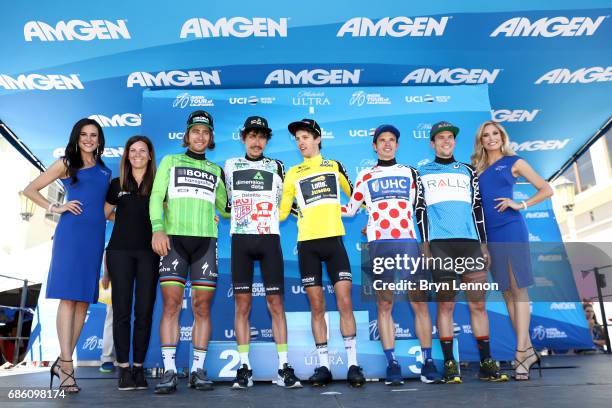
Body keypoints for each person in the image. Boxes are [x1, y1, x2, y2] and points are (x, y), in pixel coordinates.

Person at [23, 118, 111, 393]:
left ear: (99, 140)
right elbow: (30, 189)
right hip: (70, 236)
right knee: (69, 299)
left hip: (95, 238)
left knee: (84, 301)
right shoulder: (66, 163)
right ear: (76, 137)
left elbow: (105, 209)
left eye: (93, 135)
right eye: (84, 134)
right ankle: (67, 364)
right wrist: (56, 206)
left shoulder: (105, 171)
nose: (88, 139)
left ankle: (63, 362)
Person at [419, 121, 508, 383]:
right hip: (440, 245)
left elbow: (478, 209)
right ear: (432, 143)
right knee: (445, 305)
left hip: (470, 243)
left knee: (478, 304)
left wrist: (483, 243)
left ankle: (487, 363)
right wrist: (425, 244)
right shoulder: (421, 171)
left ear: (454, 142)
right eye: (440, 138)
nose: (446, 141)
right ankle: (449, 364)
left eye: (450, 137)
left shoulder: (469, 171)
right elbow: (420, 211)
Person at [341, 125, 431, 385]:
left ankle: (427, 360)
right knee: (384, 304)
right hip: (378, 245)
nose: (387, 144)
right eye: (382, 140)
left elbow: (419, 209)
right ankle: (392, 363)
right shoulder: (365, 175)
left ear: (397, 145)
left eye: (392, 140)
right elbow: (350, 209)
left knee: (420, 303)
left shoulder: (410, 173)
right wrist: (316, 208)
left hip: (407, 243)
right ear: (374, 145)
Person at [279, 118, 365, 387]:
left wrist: (372, 216)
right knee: (317, 306)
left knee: (345, 302)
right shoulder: (292, 172)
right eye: (297, 139)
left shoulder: (334, 165)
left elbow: (357, 196)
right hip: (307, 245)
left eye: (305, 137)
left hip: (334, 242)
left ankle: (353, 365)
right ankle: (324, 366)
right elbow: (282, 212)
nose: (301, 142)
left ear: (318, 139)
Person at [150, 110, 230, 394]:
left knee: (202, 307)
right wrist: (158, 228)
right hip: (173, 241)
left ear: (210, 138)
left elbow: (225, 207)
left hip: (205, 243)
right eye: (195, 131)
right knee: (171, 306)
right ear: (187, 135)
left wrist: (255, 202)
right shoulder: (170, 161)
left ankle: (197, 369)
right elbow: (157, 197)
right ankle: (169, 371)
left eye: (205, 132)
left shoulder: (216, 171)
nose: (200, 136)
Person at [471, 120, 553, 380]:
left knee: (518, 289)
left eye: (496, 134)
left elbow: (546, 188)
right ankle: (528, 350)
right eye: (487, 135)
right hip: (491, 235)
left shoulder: (515, 162)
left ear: (502, 137)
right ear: (481, 141)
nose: (492, 138)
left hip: (512, 229)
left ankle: (520, 353)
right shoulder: (476, 169)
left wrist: (522, 204)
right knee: (507, 292)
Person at [224, 116, 301, 389]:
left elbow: (288, 202)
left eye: (261, 136)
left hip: (269, 239)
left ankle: (283, 368)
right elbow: (226, 202)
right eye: (252, 136)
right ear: (243, 138)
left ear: (267, 140)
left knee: (276, 304)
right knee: (242, 305)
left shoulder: (277, 166)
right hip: (241, 240)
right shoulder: (231, 165)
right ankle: (244, 368)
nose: (257, 142)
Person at [103, 135, 159, 390]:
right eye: (132, 150)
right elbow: (105, 213)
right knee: (122, 311)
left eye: (142, 150)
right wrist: (124, 219)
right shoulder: (116, 184)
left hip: (149, 253)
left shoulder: (159, 183)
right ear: (126, 155)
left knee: (144, 312)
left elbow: (168, 213)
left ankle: (138, 367)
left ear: (149, 155)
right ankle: (123, 368)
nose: (137, 154)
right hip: (120, 252)